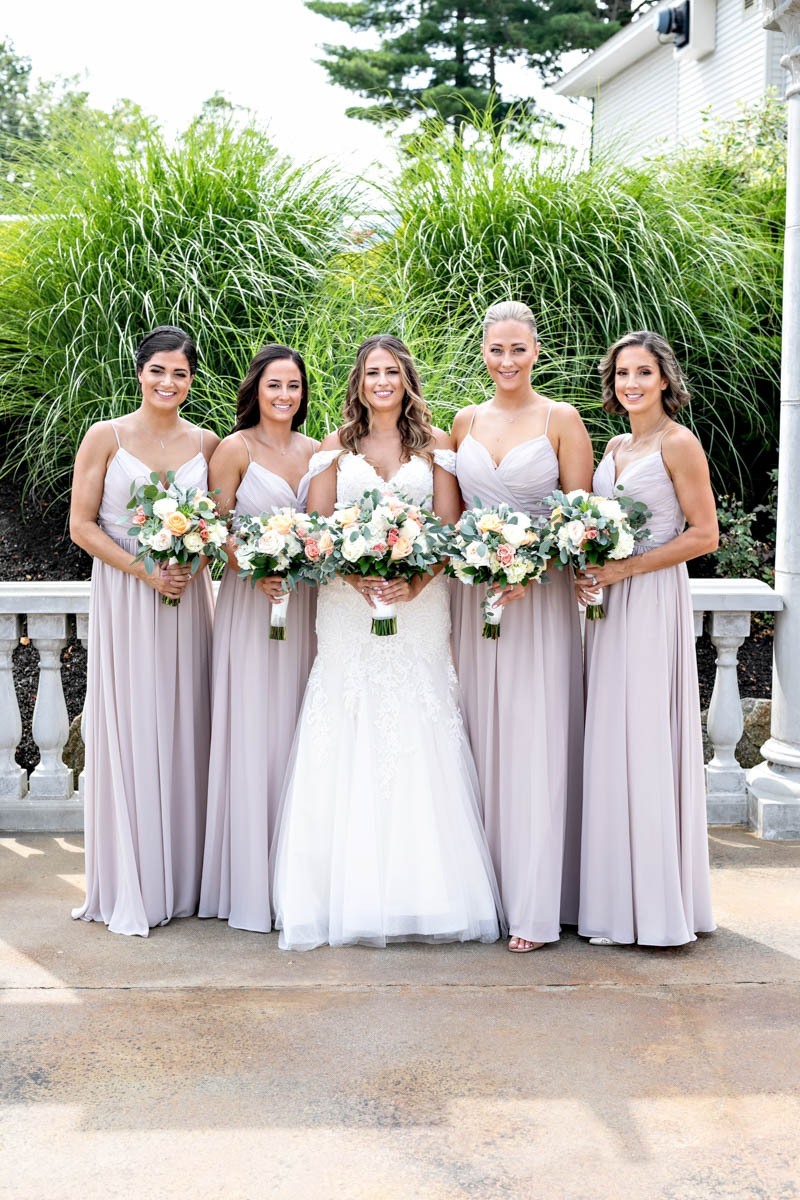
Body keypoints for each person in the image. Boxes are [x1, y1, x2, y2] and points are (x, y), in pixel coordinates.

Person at [271, 334, 504, 950]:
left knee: (416, 723)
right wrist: (356, 574)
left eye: (392, 372)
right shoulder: (332, 448)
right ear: (358, 380)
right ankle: (338, 893)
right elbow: (317, 534)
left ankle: (422, 895)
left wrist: (413, 584)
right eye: (372, 371)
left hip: (420, 610)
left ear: (406, 381)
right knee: (345, 720)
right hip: (347, 610)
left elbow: (451, 532)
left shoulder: (436, 449)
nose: (381, 381)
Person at [451, 301, 594, 953]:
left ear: (537, 352)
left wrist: (530, 564)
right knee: (481, 742)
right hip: (475, 602)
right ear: (482, 351)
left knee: (534, 744)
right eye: (495, 349)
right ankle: (486, 896)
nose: (506, 361)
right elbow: (451, 522)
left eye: (518, 349)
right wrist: (478, 558)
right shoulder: (464, 421)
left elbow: (580, 521)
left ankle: (537, 907)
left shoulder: (560, 419)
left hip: (540, 603)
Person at [70, 325, 219, 936]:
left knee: (186, 722)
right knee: (133, 724)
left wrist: (191, 562)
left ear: (190, 381)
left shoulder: (208, 442)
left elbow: (220, 522)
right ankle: (134, 878)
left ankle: (182, 880)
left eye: (180, 373)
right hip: (129, 597)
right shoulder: (106, 436)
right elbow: (82, 526)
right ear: (140, 372)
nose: (169, 382)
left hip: (187, 600)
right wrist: (146, 571)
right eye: (159, 370)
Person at [575, 330, 718, 947]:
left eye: (643, 372)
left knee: (641, 737)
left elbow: (704, 534)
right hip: (607, 604)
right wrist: (590, 564)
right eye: (621, 374)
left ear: (664, 379)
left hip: (651, 598)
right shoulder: (613, 445)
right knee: (611, 738)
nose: (631, 384)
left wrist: (626, 569)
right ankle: (614, 900)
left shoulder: (678, 443)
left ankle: (654, 908)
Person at [199, 345, 318, 933]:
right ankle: (247, 881)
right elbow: (215, 527)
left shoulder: (318, 452)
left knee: (299, 727)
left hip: (307, 609)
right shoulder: (235, 448)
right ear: (257, 389)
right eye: (275, 385)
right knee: (253, 729)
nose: (284, 396)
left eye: (294, 386)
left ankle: (294, 875)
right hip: (252, 602)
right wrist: (253, 564)